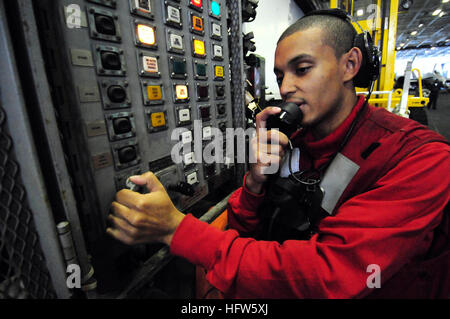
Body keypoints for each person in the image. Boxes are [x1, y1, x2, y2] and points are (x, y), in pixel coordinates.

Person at [106, 11, 450, 298]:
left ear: (350, 65)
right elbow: (245, 234)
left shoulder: (421, 159)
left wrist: (176, 230)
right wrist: (255, 182)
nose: (285, 88)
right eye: (280, 76)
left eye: (302, 70)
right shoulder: (295, 140)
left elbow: (328, 275)